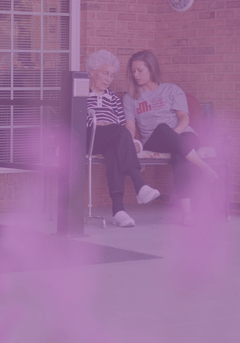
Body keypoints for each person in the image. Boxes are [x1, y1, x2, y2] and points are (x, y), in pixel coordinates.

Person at [123, 50, 218, 226]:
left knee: (178, 155)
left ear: (151, 69)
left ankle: (187, 214)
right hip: (155, 140)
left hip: (184, 134)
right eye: (133, 71)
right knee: (162, 129)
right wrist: (129, 140)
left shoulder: (171, 90)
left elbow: (184, 118)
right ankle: (204, 167)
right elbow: (130, 126)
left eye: (140, 70)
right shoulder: (131, 98)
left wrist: (172, 135)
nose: (136, 75)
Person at [85, 50, 161, 227]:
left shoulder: (113, 98)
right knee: (117, 132)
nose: (109, 79)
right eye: (105, 73)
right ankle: (139, 184)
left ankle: (118, 211)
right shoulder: (81, 93)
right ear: (92, 72)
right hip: (91, 137)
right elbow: (77, 118)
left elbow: (121, 122)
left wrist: (133, 142)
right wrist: (98, 124)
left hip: (112, 138)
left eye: (112, 75)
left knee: (114, 150)